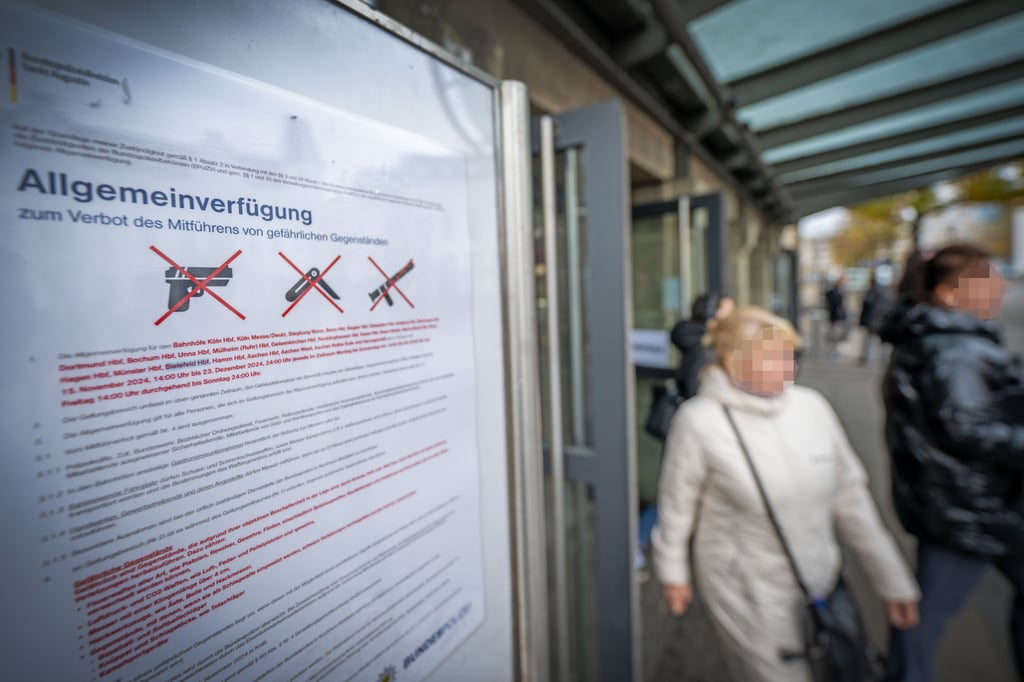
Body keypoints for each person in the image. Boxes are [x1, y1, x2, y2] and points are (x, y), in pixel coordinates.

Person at [653, 306, 919, 682]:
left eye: (787, 356)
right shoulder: (700, 421)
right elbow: (677, 505)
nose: (786, 368)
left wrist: (891, 579)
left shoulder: (812, 408)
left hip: (819, 575)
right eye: (771, 358)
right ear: (733, 361)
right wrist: (673, 573)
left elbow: (851, 499)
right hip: (744, 588)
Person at [879, 243, 1024, 682]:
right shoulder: (956, 350)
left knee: (923, 614)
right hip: (972, 507)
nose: (999, 287)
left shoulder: (938, 341)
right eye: (986, 280)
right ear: (947, 294)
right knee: (924, 617)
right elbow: (969, 429)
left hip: (960, 503)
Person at [670, 291, 735, 400]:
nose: (733, 316)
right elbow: (693, 390)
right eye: (729, 311)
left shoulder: (707, 343)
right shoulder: (704, 348)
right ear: (711, 313)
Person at [858, 272, 892, 365]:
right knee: (880, 341)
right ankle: (882, 359)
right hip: (879, 320)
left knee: (870, 340)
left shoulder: (873, 292)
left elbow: (868, 304)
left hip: (874, 319)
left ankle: (868, 358)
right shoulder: (887, 293)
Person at [825, 275, 849, 355]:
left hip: (838, 315)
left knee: (837, 332)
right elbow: (834, 302)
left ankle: (834, 349)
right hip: (835, 316)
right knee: (835, 333)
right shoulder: (835, 290)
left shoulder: (839, 290)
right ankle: (833, 350)